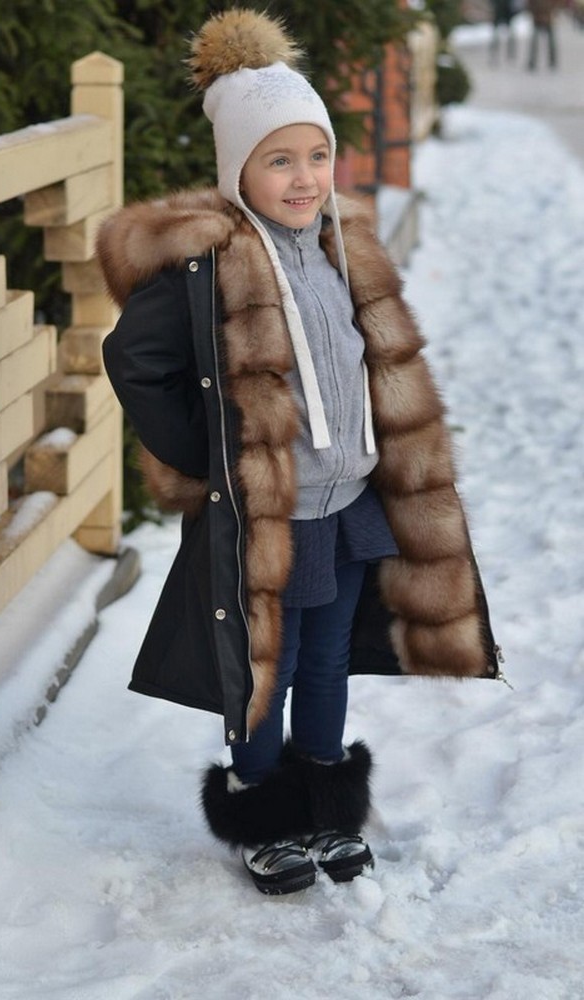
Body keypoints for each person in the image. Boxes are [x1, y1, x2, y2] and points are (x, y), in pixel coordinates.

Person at [97, 9, 500, 896]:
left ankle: (323, 801)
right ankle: (262, 809)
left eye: (317, 155)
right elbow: (134, 359)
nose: (305, 177)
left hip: (350, 500)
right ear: (237, 168)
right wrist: (211, 457)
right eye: (279, 160)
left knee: (325, 659)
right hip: (276, 515)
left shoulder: (337, 244)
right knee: (265, 671)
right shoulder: (213, 263)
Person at [527, 0, 559, 68]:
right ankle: (532, 61)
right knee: (535, 41)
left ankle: (552, 60)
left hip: (547, 17)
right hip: (538, 17)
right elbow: (530, 4)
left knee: (551, 41)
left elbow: (555, 3)